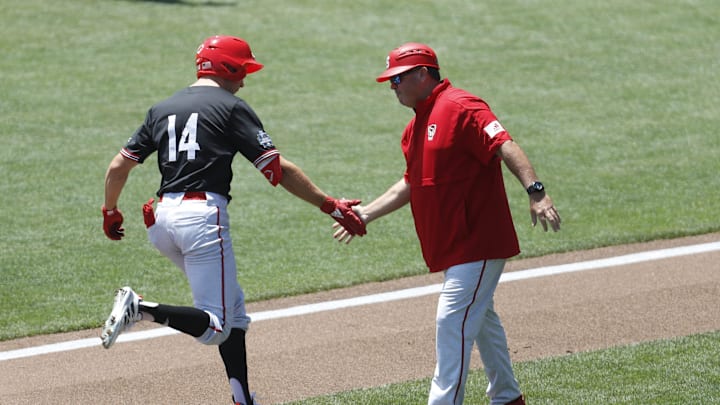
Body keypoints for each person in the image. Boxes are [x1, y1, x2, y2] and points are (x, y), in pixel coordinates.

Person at [100, 35, 366, 405]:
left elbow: (118, 166)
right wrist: (330, 205)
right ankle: (140, 308)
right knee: (216, 327)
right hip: (201, 221)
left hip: (161, 221)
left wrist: (110, 210)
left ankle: (242, 399)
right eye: (242, 70)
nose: (244, 80)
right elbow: (277, 169)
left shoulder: (161, 108)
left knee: (234, 313)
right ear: (227, 68)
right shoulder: (230, 107)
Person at [333, 43, 561, 405]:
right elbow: (411, 182)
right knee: (482, 322)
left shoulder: (462, 106)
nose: (392, 87)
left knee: (451, 322)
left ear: (423, 74)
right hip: (452, 248)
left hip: (478, 242)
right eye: (390, 81)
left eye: (398, 79)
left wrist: (536, 191)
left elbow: (504, 143)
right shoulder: (413, 129)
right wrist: (366, 214)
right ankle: (507, 397)